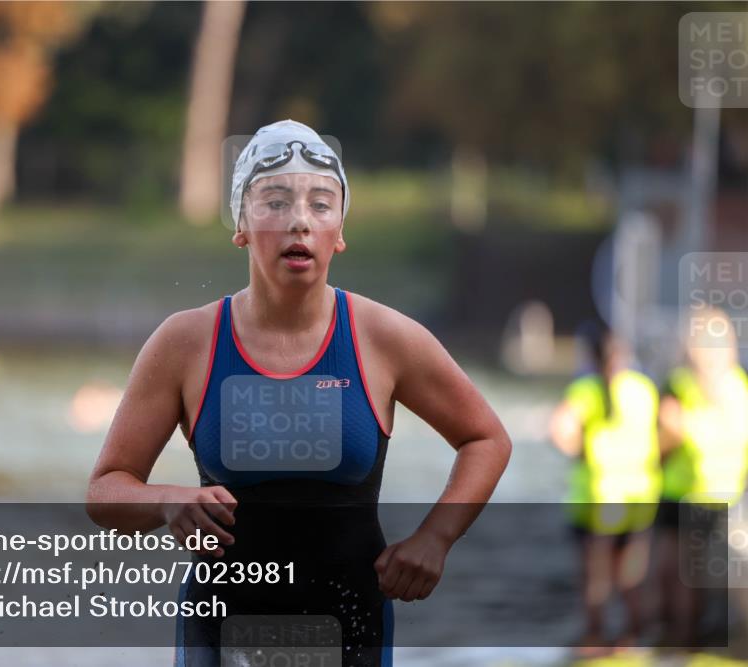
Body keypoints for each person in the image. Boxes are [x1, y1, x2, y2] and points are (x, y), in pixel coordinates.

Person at [86, 119, 511, 666]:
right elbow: (105, 490)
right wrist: (168, 501)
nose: (299, 223)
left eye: (320, 204)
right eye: (275, 202)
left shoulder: (385, 338)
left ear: (339, 231)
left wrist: (437, 538)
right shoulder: (185, 341)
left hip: (351, 628)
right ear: (239, 223)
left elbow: (485, 438)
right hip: (220, 633)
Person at [548, 320, 661, 656]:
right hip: (640, 494)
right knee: (631, 577)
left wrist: (580, 450)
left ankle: (595, 639)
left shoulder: (585, 390)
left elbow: (558, 432)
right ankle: (632, 640)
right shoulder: (643, 388)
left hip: (597, 497)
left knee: (595, 579)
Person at [656, 307, 748, 648]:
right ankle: (687, 637)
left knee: (683, 575)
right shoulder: (735, 383)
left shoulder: (685, 383)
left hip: (700, 494)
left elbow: (667, 435)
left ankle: (684, 638)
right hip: (702, 493)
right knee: (685, 573)